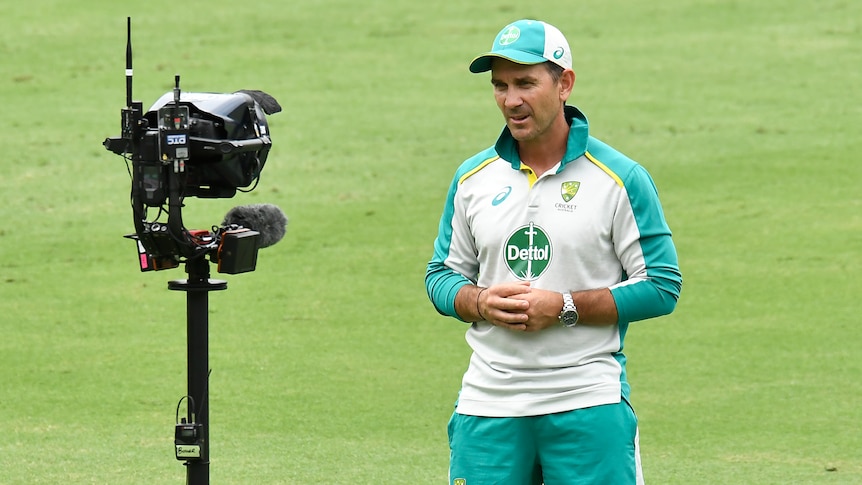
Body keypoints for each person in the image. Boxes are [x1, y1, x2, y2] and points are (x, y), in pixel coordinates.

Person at [424, 19, 682, 485]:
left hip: (586, 402)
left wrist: (563, 307)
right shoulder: (472, 180)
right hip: (488, 405)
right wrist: (479, 301)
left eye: (525, 83)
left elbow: (661, 286)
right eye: (500, 86)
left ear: (564, 83)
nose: (511, 99)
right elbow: (441, 275)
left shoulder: (619, 179)